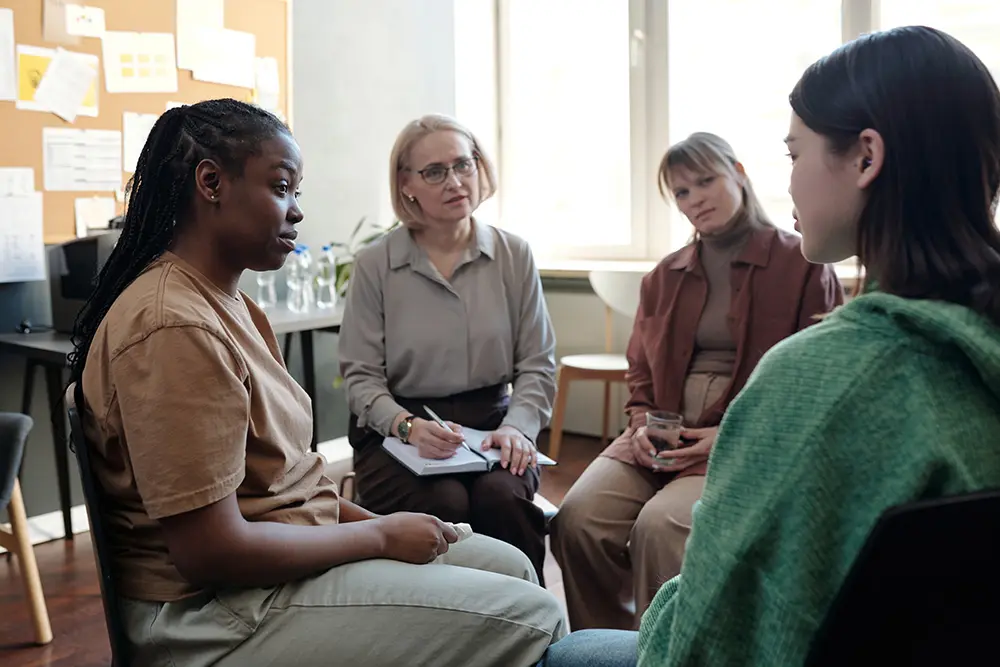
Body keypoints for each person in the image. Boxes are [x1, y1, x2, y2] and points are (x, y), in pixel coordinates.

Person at [69, 99, 565, 667]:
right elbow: (209, 552)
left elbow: (289, 485)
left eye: (297, 192)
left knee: (512, 566)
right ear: (211, 182)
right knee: (536, 614)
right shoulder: (173, 324)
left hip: (268, 564)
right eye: (282, 187)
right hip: (210, 615)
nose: (297, 212)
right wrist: (379, 539)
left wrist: (380, 525)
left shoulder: (228, 303)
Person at [637, 26, 1000, 666]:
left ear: (866, 157)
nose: (793, 182)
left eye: (794, 154)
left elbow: (707, 634)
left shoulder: (823, 379)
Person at [550, 131, 844, 630]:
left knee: (660, 528)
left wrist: (729, 435)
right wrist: (641, 425)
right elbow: (640, 368)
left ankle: (669, 649)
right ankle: (608, 647)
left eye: (706, 181)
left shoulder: (801, 264)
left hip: (744, 440)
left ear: (739, 173)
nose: (695, 199)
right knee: (576, 519)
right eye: (682, 192)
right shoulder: (664, 275)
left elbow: (814, 377)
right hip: (658, 438)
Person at [338, 113, 557, 583]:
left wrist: (519, 427)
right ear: (406, 184)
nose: (456, 181)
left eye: (464, 164)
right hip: (399, 430)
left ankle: (532, 630)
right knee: (444, 504)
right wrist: (406, 425)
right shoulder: (376, 264)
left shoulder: (514, 254)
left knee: (503, 498)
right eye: (435, 171)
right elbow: (359, 378)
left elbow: (538, 364)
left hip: (495, 426)